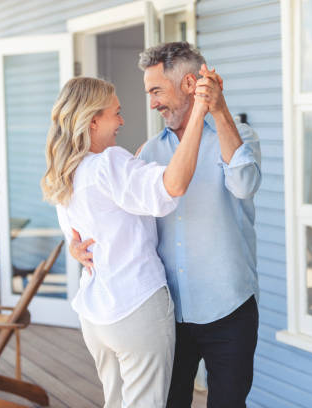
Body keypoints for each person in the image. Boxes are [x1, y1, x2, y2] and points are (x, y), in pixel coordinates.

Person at [70, 42, 262, 407]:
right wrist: (76, 245)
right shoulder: (148, 152)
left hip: (229, 308)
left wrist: (218, 110)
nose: (152, 102)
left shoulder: (237, 136)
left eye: (157, 90)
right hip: (168, 312)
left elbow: (245, 184)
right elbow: (117, 218)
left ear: (190, 84)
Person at [41, 76, 210, 407]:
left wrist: (76, 250)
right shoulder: (108, 164)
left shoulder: (66, 172)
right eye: (115, 113)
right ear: (92, 120)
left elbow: (78, 235)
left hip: (96, 315)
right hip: (135, 309)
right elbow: (171, 187)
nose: (121, 121)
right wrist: (200, 111)